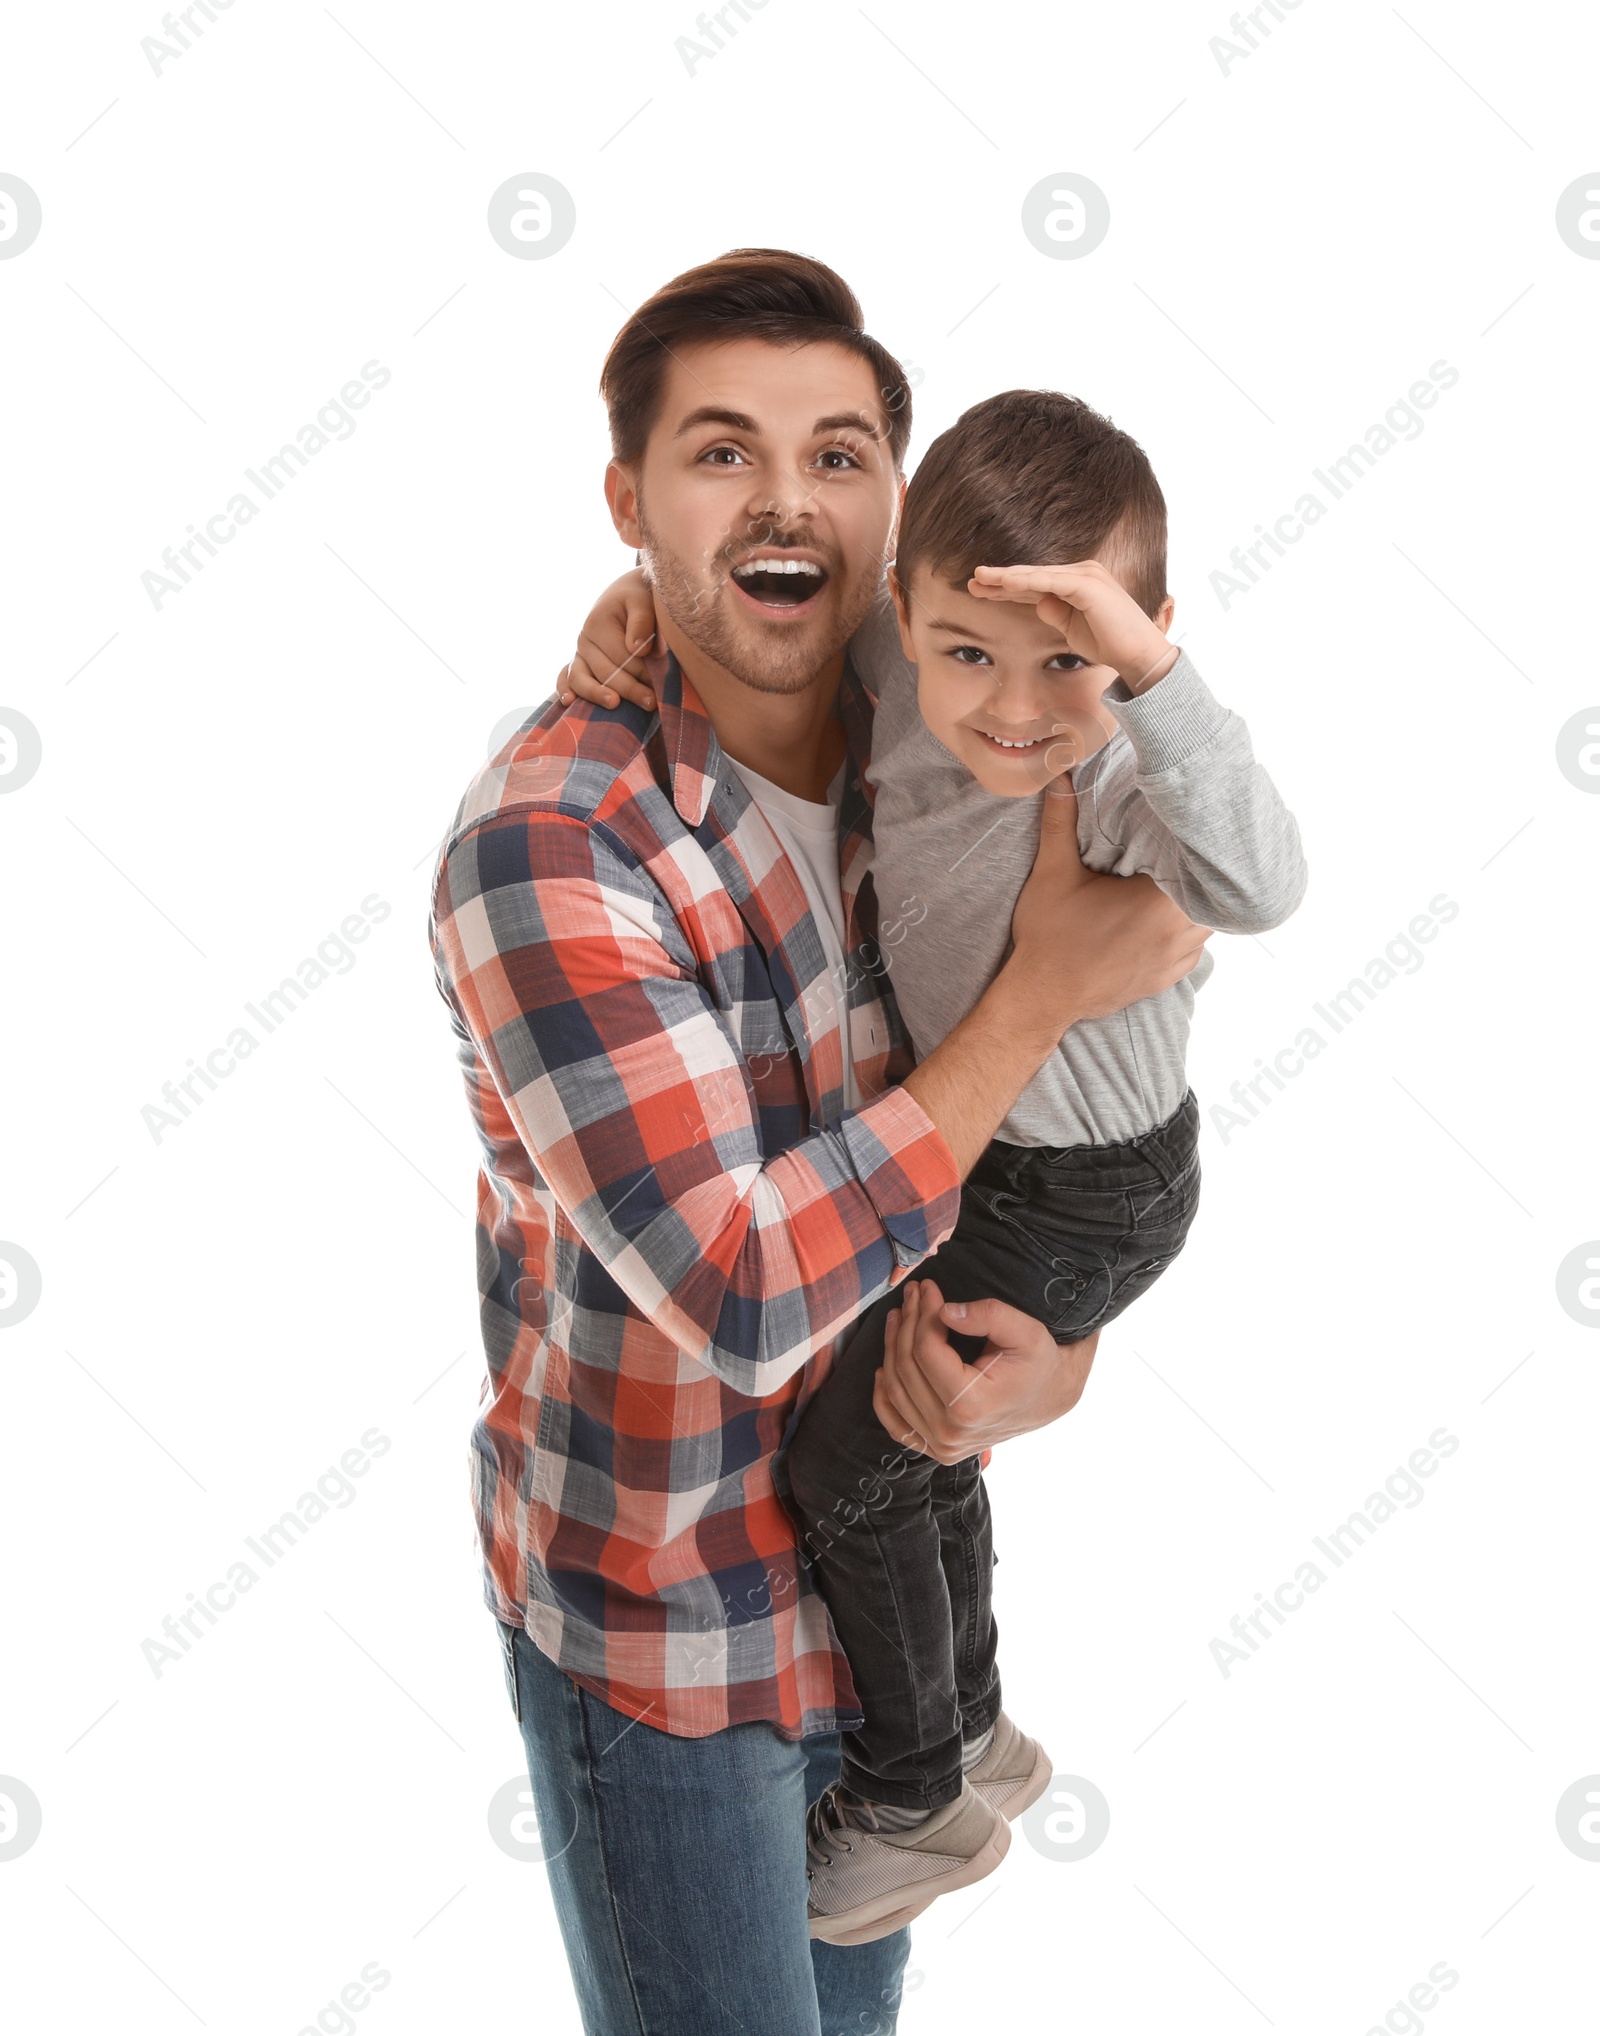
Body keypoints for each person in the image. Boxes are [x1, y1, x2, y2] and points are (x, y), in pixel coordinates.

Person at [429, 249, 1209, 2036]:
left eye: (840, 455)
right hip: (674, 1632)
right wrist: (1037, 994)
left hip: (882, 1611)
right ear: (628, 500)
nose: (788, 497)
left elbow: (1083, 1127)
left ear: (903, 512)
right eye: (723, 453)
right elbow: (752, 1287)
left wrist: (1055, 1357)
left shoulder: (946, 732)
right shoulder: (552, 848)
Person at [565, 388, 1308, 1946]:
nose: (1014, 709)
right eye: (970, 652)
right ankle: (969, 1729)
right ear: (907, 610)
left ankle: (910, 1798)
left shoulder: (1116, 777)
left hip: (1084, 1177)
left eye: (1073, 662)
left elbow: (1263, 881)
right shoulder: (902, 665)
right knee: (911, 1424)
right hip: (990, 1158)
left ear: (1134, 643)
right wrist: (634, 598)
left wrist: (1159, 682)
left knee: (851, 1457)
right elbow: (779, 605)